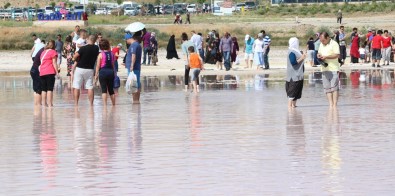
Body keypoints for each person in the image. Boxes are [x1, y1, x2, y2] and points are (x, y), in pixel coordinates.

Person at [72, 35, 99, 106]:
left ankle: (76, 104)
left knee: (77, 86)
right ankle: (91, 104)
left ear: (88, 39)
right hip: (90, 69)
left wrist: (75, 59)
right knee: (90, 87)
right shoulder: (96, 48)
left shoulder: (83, 48)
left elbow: (75, 56)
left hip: (80, 68)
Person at [317, 32, 340, 108]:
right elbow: (319, 52)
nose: (322, 42)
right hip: (324, 68)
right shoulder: (321, 44)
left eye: (323, 40)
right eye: (321, 40)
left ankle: (334, 105)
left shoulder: (334, 44)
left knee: (334, 88)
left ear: (328, 38)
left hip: (333, 68)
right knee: (327, 88)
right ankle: (330, 104)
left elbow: (337, 55)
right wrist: (319, 55)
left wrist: (326, 57)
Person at [286, 37, 306, 108]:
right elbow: (293, 62)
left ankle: (294, 106)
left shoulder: (297, 51)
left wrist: (302, 55)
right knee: (292, 91)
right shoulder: (291, 52)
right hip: (293, 75)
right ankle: (289, 106)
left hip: (299, 75)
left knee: (297, 92)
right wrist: (302, 58)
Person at [95, 39, 115, 106]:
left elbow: (98, 66)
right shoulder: (112, 54)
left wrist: (96, 75)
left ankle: (105, 106)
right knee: (111, 90)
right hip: (110, 72)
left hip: (103, 72)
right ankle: (113, 105)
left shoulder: (100, 55)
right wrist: (114, 73)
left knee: (104, 90)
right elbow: (113, 65)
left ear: (100, 47)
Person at [40, 40, 60, 107]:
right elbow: (54, 63)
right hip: (50, 72)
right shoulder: (53, 52)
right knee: (49, 89)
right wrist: (57, 72)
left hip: (42, 72)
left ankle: (44, 104)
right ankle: (50, 104)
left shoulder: (43, 52)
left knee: (43, 89)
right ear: (54, 45)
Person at [125, 31, 143, 103]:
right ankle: (136, 101)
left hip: (133, 68)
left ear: (129, 38)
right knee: (136, 83)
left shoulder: (134, 45)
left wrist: (132, 65)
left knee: (133, 84)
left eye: (126, 40)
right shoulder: (137, 44)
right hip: (136, 67)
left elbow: (133, 55)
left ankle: (135, 101)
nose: (126, 42)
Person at [30, 41, 45, 106]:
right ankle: (39, 105)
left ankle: (36, 104)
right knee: (39, 89)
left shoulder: (41, 51)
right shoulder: (43, 52)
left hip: (32, 70)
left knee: (35, 89)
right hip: (36, 70)